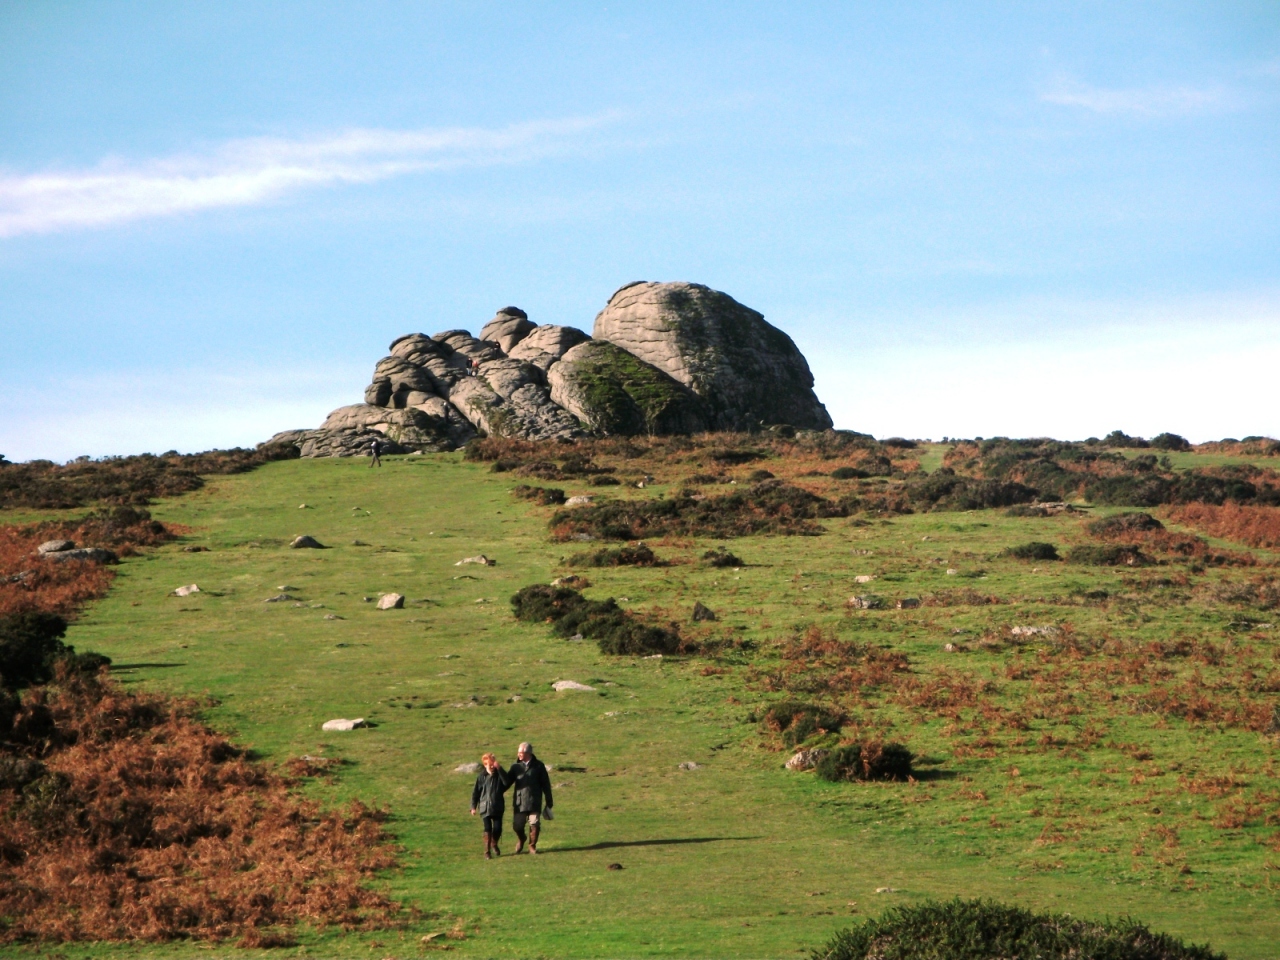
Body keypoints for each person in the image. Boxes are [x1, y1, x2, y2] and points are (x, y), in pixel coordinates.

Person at [508, 741, 553, 854]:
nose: (518, 754)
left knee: (535, 824)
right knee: (517, 826)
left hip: (534, 801)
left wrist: (549, 801)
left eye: (520, 752)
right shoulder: (515, 767)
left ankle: (532, 845)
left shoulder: (539, 766)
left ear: (528, 753)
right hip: (520, 802)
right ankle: (522, 838)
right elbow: (507, 782)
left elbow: (546, 784)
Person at [469, 753, 510, 860]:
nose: (491, 767)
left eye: (493, 764)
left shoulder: (499, 775)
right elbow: (475, 793)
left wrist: (500, 769)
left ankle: (493, 843)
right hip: (484, 807)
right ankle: (487, 852)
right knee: (488, 829)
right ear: (485, 764)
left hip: (497, 807)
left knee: (498, 828)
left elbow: (507, 782)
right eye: (489, 765)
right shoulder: (481, 777)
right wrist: (473, 807)